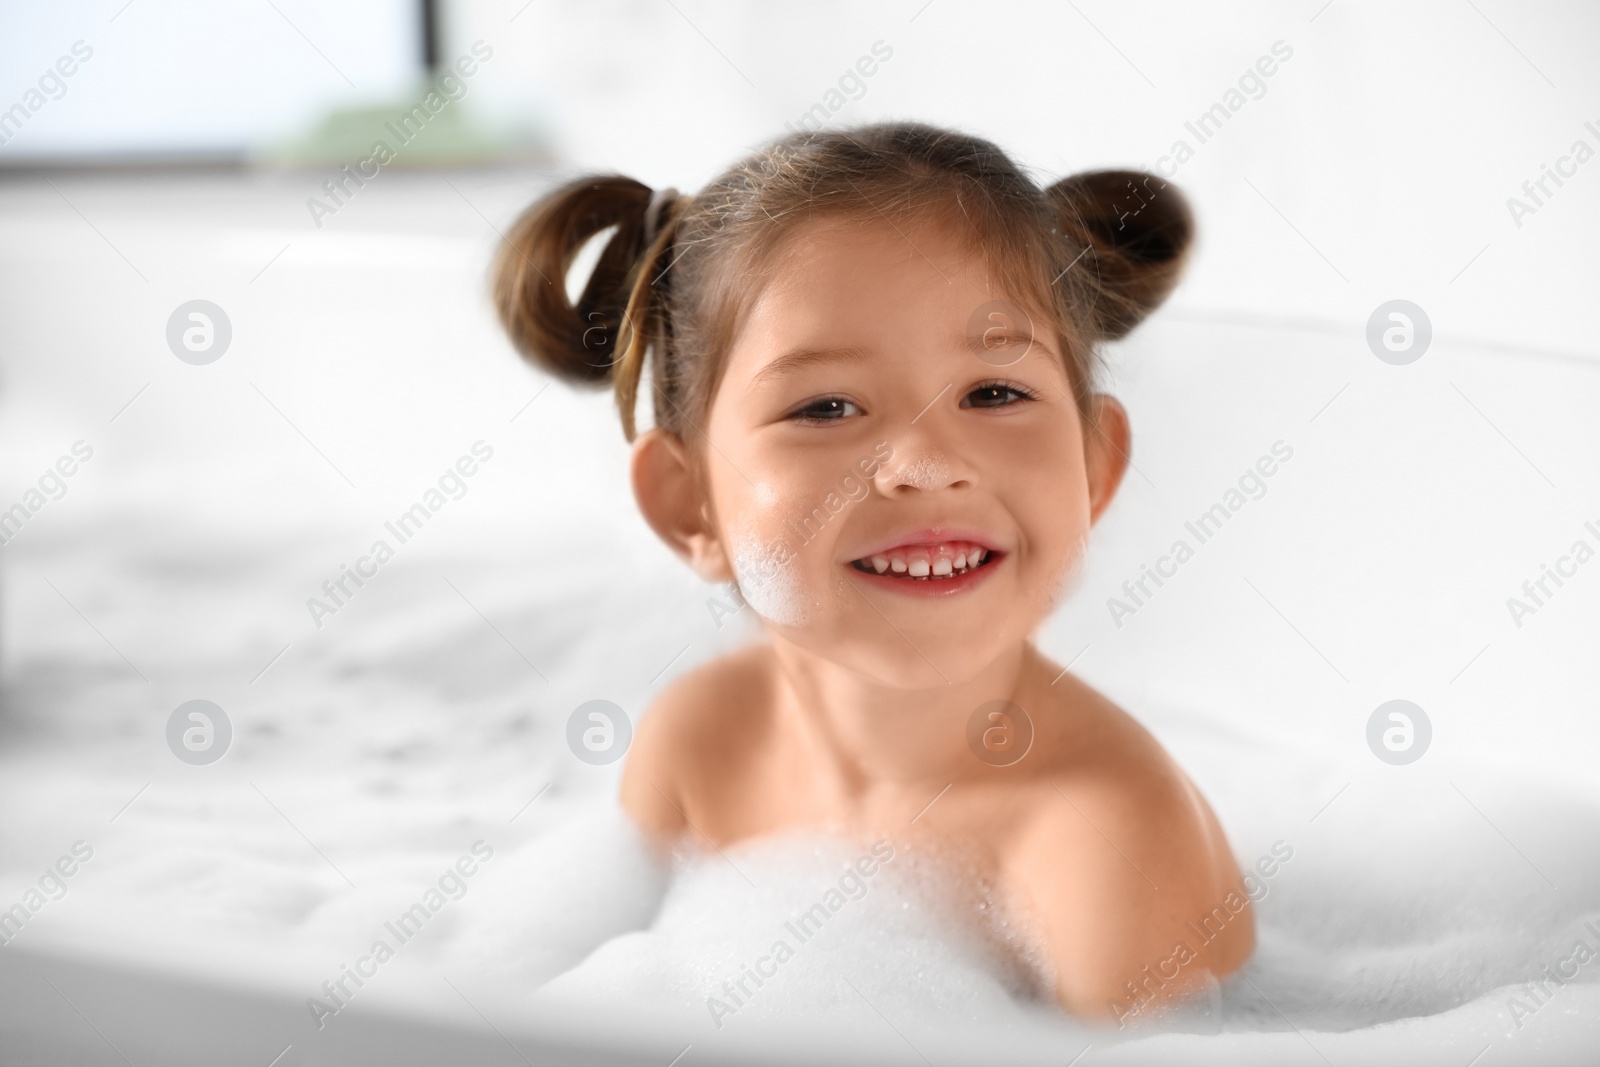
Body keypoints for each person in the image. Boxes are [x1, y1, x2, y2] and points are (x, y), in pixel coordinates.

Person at [491, 121, 1254, 1023]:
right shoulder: (699, 741)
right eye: (826, 406)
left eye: (995, 392)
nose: (926, 463)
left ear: (1094, 467)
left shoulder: (1104, 841)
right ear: (689, 504)